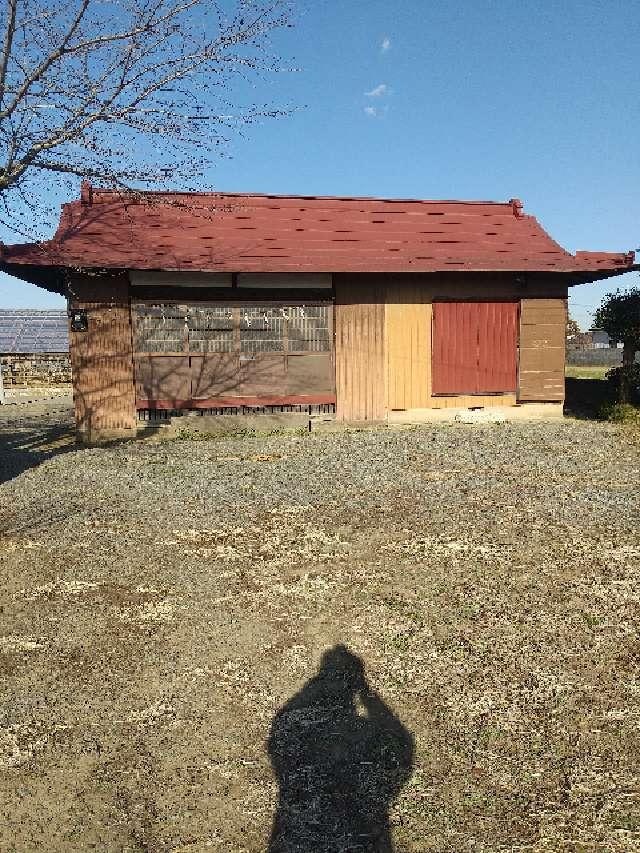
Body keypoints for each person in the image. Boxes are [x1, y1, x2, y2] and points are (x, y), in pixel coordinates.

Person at [268, 645, 414, 852]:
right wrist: (366, 694)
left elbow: (283, 728)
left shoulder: (297, 732)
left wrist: (316, 688)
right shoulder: (366, 733)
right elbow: (401, 747)